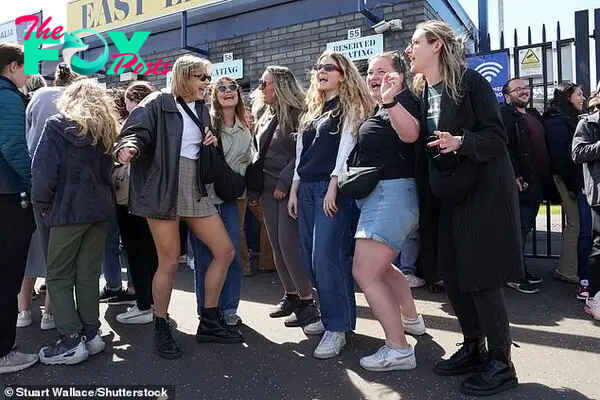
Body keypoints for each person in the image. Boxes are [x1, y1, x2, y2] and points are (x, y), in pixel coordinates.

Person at [406, 21, 522, 396]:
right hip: (450, 193)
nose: (409, 50)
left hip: (483, 193)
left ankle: (502, 363)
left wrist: (461, 141)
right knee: (453, 276)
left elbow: (496, 135)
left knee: (482, 278)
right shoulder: (426, 92)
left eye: (414, 43)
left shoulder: (472, 83)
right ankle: (474, 347)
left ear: (436, 45)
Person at [115, 55, 242, 360]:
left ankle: (209, 320)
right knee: (169, 262)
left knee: (225, 251)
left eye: (207, 78)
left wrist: (210, 140)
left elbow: (198, 146)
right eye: (201, 77)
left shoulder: (201, 109)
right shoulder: (158, 102)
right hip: (162, 187)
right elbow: (136, 131)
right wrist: (129, 147)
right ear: (185, 76)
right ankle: (161, 325)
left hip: (194, 186)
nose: (206, 83)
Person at [287, 51, 371, 359]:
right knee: (310, 260)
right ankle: (335, 317)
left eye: (328, 67)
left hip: (330, 188)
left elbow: (347, 148)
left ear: (343, 74)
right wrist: (295, 188)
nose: (321, 71)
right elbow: (301, 153)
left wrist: (333, 187)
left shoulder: (351, 106)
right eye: (318, 66)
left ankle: (338, 327)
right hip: (307, 188)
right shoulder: (314, 108)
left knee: (326, 258)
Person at [349, 51, 426, 371]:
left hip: (391, 196)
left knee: (364, 272)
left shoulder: (401, 101)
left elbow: (411, 135)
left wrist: (391, 100)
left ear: (401, 76)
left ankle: (399, 349)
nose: (373, 76)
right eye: (370, 72)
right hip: (383, 198)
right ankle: (412, 320)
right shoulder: (382, 106)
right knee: (382, 268)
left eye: (382, 71)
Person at [32, 79, 117, 365]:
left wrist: (42, 204)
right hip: (99, 210)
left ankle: (70, 340)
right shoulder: (105, 130)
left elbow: (43, 172)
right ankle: (91, 334)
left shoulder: (57, 125)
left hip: (67, 210)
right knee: (88, 274)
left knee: (57, 275)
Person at [250, 66, 320, 331]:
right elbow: (259, 153)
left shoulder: (297, 112)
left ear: (279, 84)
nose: (260, 88)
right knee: (277, 247)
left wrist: (284, 181)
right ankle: (291, 295)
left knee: (289, 246)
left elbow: (303, 152)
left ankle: (307, 301)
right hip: (267, 189)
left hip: (288, 188)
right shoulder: (264, 113)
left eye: (263, 83)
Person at [18, 64, 80, 331]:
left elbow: (25, 136)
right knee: (58, 253)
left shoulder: (38, 98)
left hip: (32, 180)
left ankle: (22, 312)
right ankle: (49, 314)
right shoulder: (75, 98)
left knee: (29, 251)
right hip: (66, 186)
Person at [189, 76, 252, 327]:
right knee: (206, 258)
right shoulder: (205, 123)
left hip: (230, 199)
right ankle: (207, 311)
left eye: (233, 88)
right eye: (222, 88)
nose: (228, 91)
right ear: (215, 95)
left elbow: (245, 165)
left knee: (232, 256)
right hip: (204, 199)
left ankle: (228, 308)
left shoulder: (245, 128)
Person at [0, 42, 38, 374]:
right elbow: (13, 145)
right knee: (7, 276)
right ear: (12, 66)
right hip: (7, 199)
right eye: (25, 66)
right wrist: (33, 183)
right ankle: (3, 352)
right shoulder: (8, 97)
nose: (28, 73)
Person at [113, 81, 159, 324]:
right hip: (154, 196)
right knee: (152, 251)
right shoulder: (160, 122)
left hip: (129, 196)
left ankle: (143, 304)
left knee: (136, 251)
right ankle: (153, 302)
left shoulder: (132, 125)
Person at [500, 78, 550, 294]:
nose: (523, 91)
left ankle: (521, 269)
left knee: (526, 227)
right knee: (518, 229)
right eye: (517, 89)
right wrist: (514, 173)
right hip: (521, 182)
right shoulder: (506, 114)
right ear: (506, 95)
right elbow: (504, 146)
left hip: (537, 181)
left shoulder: (533, 115)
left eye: (525, 88)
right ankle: (514, 275)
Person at [542, 83, 590, 299]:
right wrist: (572, 184)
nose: (583, 98)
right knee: (576, 223)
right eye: (579, 94)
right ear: (567, 96)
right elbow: (561, 157)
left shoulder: (566, 117)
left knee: (576, 223)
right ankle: (568, 270)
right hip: (564, 178)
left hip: (568, 178)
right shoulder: (557, 120)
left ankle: (568, 268)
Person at [572, 91, 600, 319]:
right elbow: (577, 153)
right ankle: (594, 294)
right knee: (597, 245)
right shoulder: (587, 124)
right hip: (599, 195)